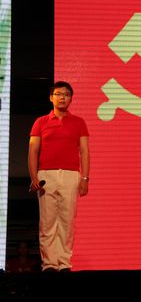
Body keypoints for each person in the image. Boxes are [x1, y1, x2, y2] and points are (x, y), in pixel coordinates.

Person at [28, 80, 90, 272]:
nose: (62, 97)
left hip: (71, 175)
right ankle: (49, 263)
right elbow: (33, 151)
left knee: (66, 220)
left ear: (71, 99)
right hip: (46, 174)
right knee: (47, 221)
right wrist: (34, 177)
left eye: (66, 94)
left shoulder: (79, 122)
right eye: (58, 94)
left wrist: (85, 178)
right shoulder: (41, 122)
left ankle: (64, 263)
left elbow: (85, 151)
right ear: (51, 98)